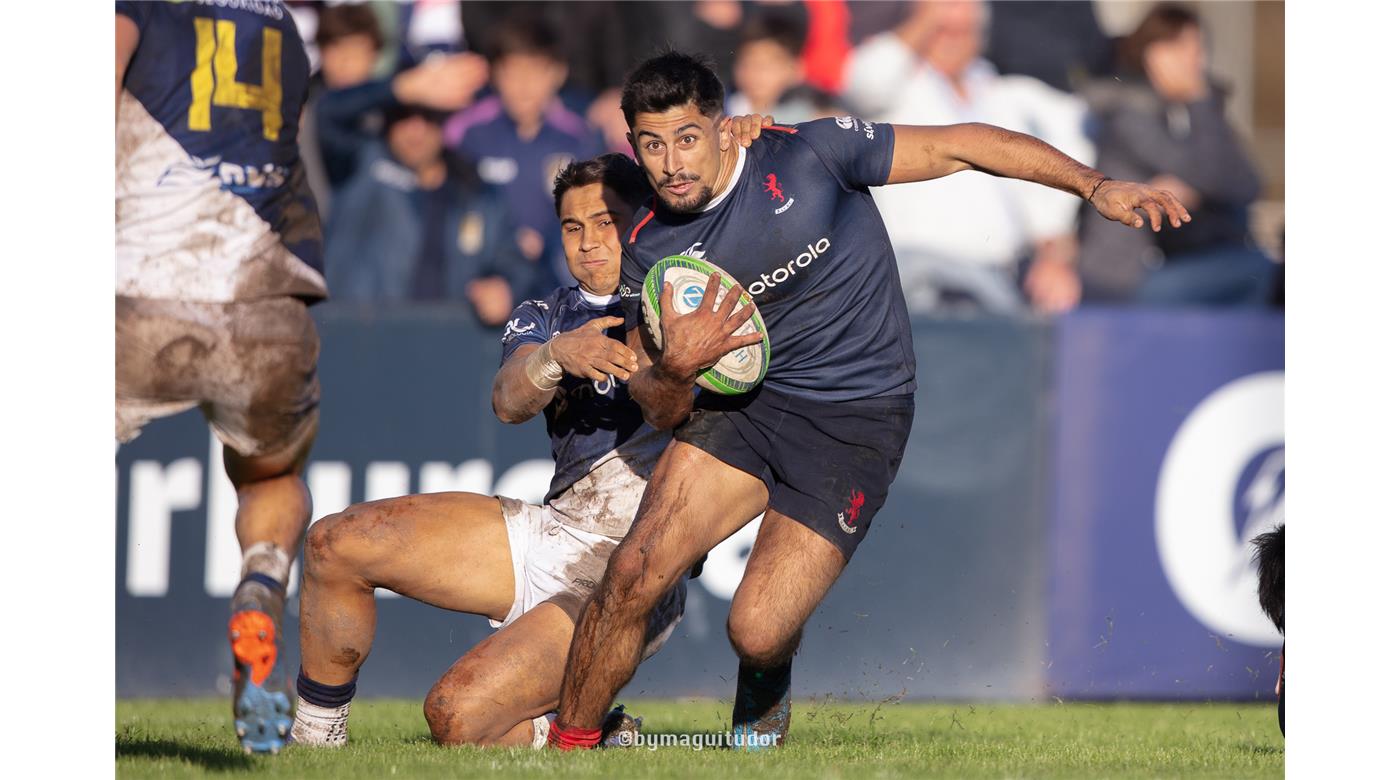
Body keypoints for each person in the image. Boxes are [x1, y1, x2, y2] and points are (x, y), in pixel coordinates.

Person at [546, 51, 1188, 751]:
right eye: (651, 143)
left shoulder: (810, 155)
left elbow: (961, 143)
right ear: (632, 144)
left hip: (858, 417)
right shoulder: (647, 245)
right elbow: (660, 406)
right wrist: (674, 369)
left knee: (756, 629)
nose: (671, 162)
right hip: (742, 410)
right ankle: (571, 746)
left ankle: (766, 698)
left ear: (724, 129)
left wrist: (1093, 188)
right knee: (635, 569)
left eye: (687, 137)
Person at [292, 129, 772, 749]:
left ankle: (597, 734)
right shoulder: (544, 315)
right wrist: (554, 358)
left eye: (606, 221)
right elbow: (508, 400)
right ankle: (312, 744)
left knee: (456, 718)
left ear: (642, 220)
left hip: (630, 573)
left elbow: (673, 409)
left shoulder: (685, 304)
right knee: (335, 543)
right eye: (573, 228)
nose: (589, 241)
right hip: (552, 531)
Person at [116, 0, 326, 754]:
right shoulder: (284, 26)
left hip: (140, 290)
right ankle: (261, 584)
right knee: (270, 477)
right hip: (266, 300)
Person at [842, 0, 1093, 314]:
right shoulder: (898, 86)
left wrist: (1052, 257)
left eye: (964, 30)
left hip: (1000, 274)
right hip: (919, 272)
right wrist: (926, 17)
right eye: (942, 29)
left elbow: (1055, 159)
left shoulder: (1000, 92)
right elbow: (863, 84)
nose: (952, 40)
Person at [1076, 3, 1278, 306]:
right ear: (1151, 53)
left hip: (1181, 259)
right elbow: (1208, 174)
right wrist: (1200, 99)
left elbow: (1248, 184)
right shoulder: (1129, 110)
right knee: (1261, 270)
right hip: (1126, 278)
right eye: (1180, 47)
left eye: (1198, 48)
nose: (1194, 60)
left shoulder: (1194, 112)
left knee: (1251, 270)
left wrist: (1196, 191)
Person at [322, 102, 525, 325]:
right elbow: (328, 115)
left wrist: (505, 288)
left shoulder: (475, 192)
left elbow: (514, 263)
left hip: (451, 342)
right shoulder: (360, 167)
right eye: (403, 116)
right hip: (364, 339)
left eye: (429, 117)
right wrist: (398, 88)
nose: (416, 130)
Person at [446, 17, 603, 297]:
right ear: (494, 74)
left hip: (555, 281)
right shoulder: (466, 132)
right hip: (483, 283)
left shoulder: (579, 137)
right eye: (513, 72)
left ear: (558, 73)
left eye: (536, 72)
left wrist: (546, 238)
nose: (524, 85)